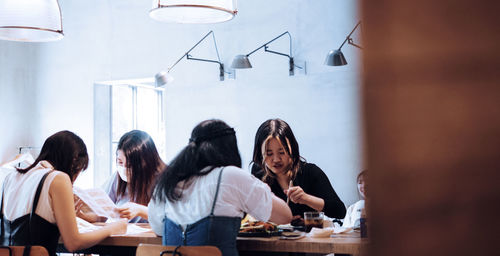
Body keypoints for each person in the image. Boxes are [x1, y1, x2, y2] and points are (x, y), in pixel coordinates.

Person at [148, 119, 292, 256]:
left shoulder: (168, 181)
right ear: (230, 149)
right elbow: (285, 216)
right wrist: (264, 190)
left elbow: (159, 230)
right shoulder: (229, 176)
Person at [0, 131, 126, 256]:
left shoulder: (11, 177)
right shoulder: (58, 178)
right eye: (78, 171)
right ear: (73, 163)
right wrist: (112, 228)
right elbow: (74, 243)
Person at [251, 118, 346, 226]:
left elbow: (340, 211)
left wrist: (306, 199)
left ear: (292, 149)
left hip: (307, 239)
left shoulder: (310, 172)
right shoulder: (259, 172)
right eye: (269, 154)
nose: (276, 159)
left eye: (282, 152)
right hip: (271, 239)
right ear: (260, 154)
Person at [101, 130, 166, 223]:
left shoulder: (164, 179)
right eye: (120, 162)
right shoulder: (117, 177)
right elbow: (103, 211)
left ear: (145, 163)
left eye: (130, 165)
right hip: (124, 235)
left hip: (152, 237)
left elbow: (172, 219)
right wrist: (89, 216)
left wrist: (140, 210)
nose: (124, 168)